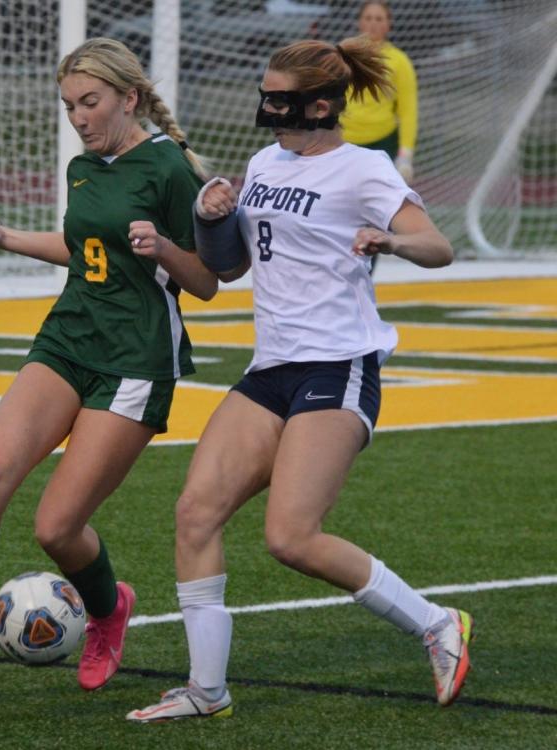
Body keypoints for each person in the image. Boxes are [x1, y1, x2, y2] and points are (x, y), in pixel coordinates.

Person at [127, 36, 470, 723]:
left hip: (337, 367)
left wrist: (391, 241)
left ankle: (437, 624)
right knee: (195, 513)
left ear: (319, 105)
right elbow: (228, 269)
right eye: (265, 94)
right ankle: (207, 690)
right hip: (271, 369)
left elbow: (439, 246)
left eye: (278, 98)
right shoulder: (263, 162)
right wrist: (211, 216)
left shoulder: (363, 169)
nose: (266, 108)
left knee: (291, 536)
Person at [0, 37, 218, 693]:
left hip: (134, 359)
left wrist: (165, 247)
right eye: (68, 106)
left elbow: (208, 281)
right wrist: (6, 239)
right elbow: (83, 246)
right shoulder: (82, 168)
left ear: (129, 97)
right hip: (66, 339)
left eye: (90, 102)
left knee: (57, 527)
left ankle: (109, 609)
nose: (79, 118)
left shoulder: (172, 170)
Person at [339, 1, 418, 275]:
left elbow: (407, 110)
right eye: (368, 17)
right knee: (341, 208)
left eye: (379, 18)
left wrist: (405, 154)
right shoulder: (344, 56)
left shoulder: (399, 61)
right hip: (343, 144)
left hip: (381, 144)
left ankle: (364, 272)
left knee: (375, 215)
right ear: (360, 22)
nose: (373, 23)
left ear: (388, 24)